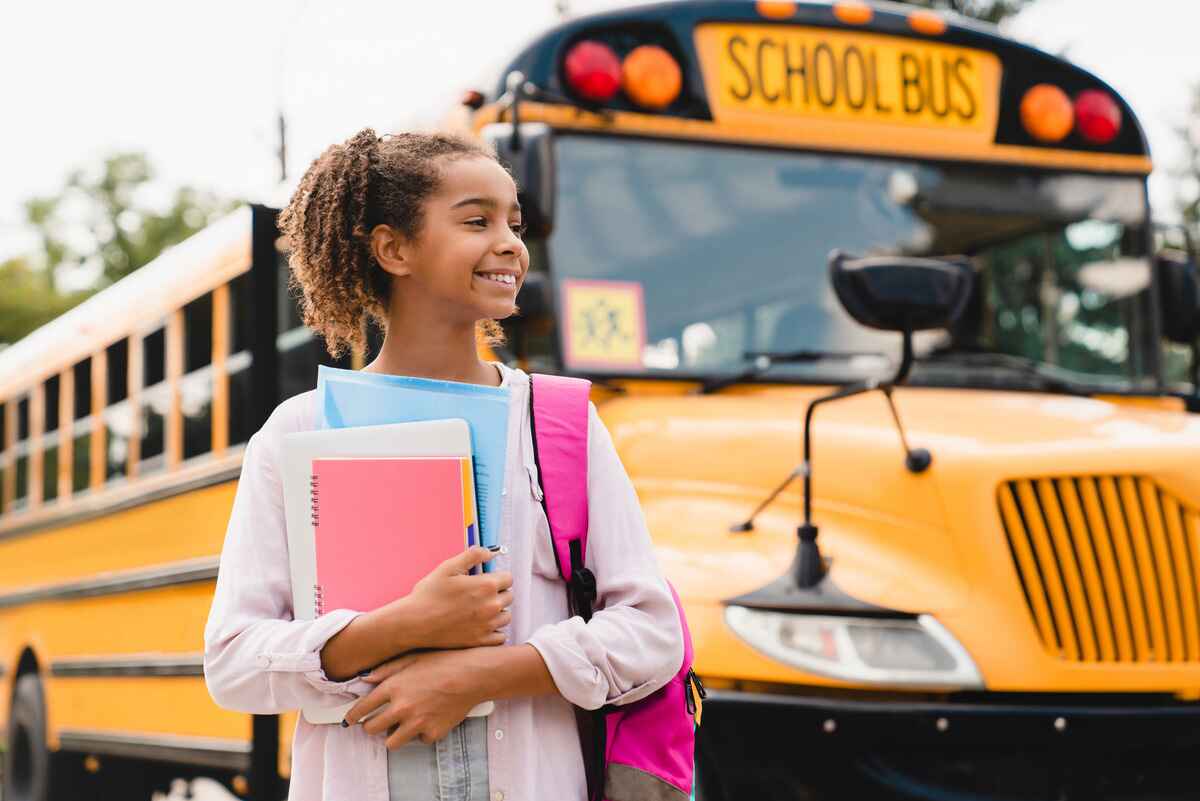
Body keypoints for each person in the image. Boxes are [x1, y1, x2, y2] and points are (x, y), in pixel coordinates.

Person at [202, 129, 684, 801]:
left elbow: (654, 633)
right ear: (394, 248)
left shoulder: (560, 423)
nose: (511, 243)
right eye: (476, 220)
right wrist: (401, 626)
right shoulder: (297, 433)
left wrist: (481, 676)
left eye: (514, 222)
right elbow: (231, 662)